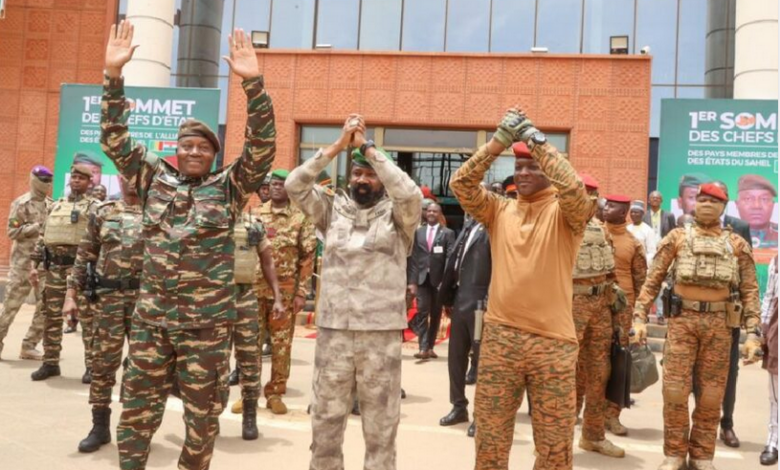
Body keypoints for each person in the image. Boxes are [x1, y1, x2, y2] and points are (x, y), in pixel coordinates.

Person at [101, 22, 275, 470]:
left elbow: (262, 147)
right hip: (151, 324)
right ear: (175, 150)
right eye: (187, 145)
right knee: (136, 413)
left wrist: (253, 84)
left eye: (204, 147)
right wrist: (113, 76)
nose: (195, 152)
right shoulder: (152, 178)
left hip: (206, 330)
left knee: (202, 421)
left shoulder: (229, 187)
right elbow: (115, 139)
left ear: (215, 155)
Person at [450, 108, 592, 470]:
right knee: (490, 439)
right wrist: (497, 143)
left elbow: (574, 190)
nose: (524, 173)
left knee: (554, 448)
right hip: (501, 338)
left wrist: (535, 140)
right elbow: (461, 185)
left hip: (553, 344)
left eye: (533, 167)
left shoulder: (567, 215)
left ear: (548, 169)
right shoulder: (499, 210)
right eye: (519, 167)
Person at [286, 114, 421, 470]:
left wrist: (369, 149)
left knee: (381, 426)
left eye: (370, 174)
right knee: (325, 422)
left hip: (380, 335)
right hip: (334, 333)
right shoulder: (332, 210)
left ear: (382, 179)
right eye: (357, 173)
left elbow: (409, 193)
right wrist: (337, 147)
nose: (362, 179)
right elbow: (294, 185)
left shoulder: (399, 217)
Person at [632, 183, 762, 470]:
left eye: (713, 201)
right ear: (693, 204)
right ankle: (674, 454)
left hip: (719, 326)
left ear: (723, 207)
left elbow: (750, 291)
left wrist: (754, 334)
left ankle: (702, 455)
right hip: (683, 323)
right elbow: (652, 280)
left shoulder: (736, 244)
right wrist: (639, 317)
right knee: (675, 391)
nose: (706, 205)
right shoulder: (677, 237)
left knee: (712, 395)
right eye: (701, 200)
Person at [63, 177, 143, 453]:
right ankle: (100, 427)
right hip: (108, 299)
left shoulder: (159, 212)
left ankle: (134, 427)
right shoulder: (103, 211)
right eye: (127, 175)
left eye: (138, 174)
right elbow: (84, 255)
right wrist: (70, 296)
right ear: (120, 177)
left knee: (143, 366)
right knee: (102, 364)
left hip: (145, 301)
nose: (132, 181)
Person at [250, 169, 316, 415]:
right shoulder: (255, 214)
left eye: (282, 184)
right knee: (251, 344)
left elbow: (307, 257)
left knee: (281, 345)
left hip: (286, 293)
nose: (277, 187)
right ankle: (249, 394)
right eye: (274, 183)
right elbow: (243, 250)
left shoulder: (301, 218)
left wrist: (301, 293)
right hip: (254, 290)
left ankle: (275, 393)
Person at [571, 175, 625, 458]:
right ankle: (554, 438)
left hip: (600, 306)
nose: (590, 200)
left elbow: (610, 272)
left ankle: (593, 435)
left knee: (599, 372)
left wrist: (617, 311)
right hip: (570, 304)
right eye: (585, 193)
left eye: (594, 195)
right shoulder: (558, 226)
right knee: (563, 372)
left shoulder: (600, 230)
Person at [30, 163, 98, 382]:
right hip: (55, 270)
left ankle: (91, 367)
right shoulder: (56, 206)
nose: (76, 180)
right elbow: (43, 236)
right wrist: (34, 265)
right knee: (50, 317)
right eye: (74, 177)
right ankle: (50, 363)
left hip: (81, 271)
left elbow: (99, 239)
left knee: (87, 319)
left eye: (82, 178)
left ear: (89, 182)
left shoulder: (95, 208)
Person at [228, 212, 283, 440]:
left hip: (244, 297)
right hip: (211, 299)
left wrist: (277, 297)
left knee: (250, 360)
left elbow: (267, 262)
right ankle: (208, 416)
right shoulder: (204, 218)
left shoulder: (254, 226)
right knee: (210, 362)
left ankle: (249, 415)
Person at [437, 211, 491, 437]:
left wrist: (491, 301)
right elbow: (455, 262)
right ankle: (458, 406)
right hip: (460, 298)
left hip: (481, 303)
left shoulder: (492, 227)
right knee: (456, 358)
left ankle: (482, 416)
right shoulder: (469, 225)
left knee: (482, 361)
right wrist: (447, 296)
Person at [710, 180, 752, 448]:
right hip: (695, 313)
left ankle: (727, 424)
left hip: (729, 313)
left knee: (729, 370)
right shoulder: (688, 227)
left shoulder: (740, 227)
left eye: (717, 198)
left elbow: (747, 275)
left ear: (725, 202)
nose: (710, 203)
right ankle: (702, 424)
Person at [603, 194, 648, 436]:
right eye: (606, 204)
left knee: (619, 362)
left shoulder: (633, 243)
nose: (605, 207)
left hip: (622, 310)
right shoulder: (593, 234)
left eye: (611, 206)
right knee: (588, 360)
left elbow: (641, 281)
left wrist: (638, 314)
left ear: (623, 212)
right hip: (593, 307)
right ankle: (584, 412)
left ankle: (612, 416)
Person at [0, 165, 52, 361]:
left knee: (45, 307)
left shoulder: (52, 205)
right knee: (10, 307)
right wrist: (36, 227)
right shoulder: (21, 204)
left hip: (43, 266)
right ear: (34, 180)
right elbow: (12, 232)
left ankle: (29, 345)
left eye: (48, 181)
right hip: (22, 265)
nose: (46, 184)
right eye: (43, 180)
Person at [408, 202, 455, 359]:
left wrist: (446, 280)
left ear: (439, 214)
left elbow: (449, 257)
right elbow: (414, 258)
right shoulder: (418, 232)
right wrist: (412, 281)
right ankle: (422, 347)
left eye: (435, 211)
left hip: (439, 280)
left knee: (435, 313)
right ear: (425, 213)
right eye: (429, 211)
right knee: (422, 311)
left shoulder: (447, 233)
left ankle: (430, 347)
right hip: (422, 279)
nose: (431, 213)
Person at [760, 255, 778, 466]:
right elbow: (769, 297)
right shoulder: (777, 262)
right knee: (776, 395)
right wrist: (762, 332)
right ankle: (773, 442)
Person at [736, 174, 777, 248]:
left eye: (764, 199)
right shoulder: (724, 236)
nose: (756, 206)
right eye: (748, 199)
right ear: (737, 204)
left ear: (773, 205)